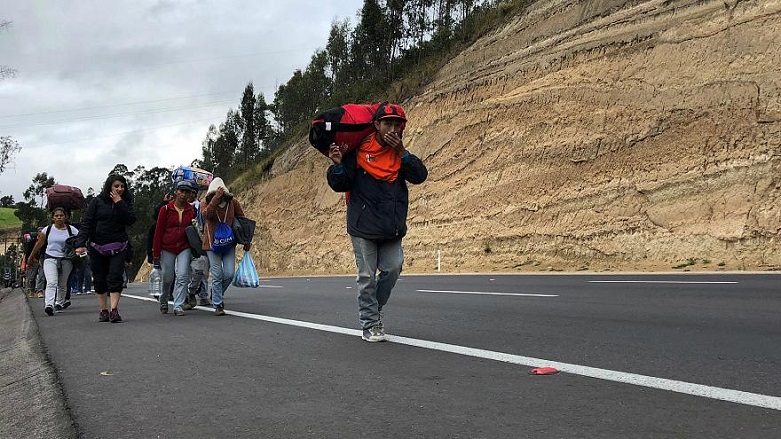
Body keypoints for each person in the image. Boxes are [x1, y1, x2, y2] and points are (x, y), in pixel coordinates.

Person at [326, 102, 428, 342]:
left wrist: (403, 153)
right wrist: (338, 165)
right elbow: (340, 184)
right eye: (387, 123)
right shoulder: (359, 152)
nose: (392, 129)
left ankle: (373, 309)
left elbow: (420, 176)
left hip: (391, 227)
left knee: (393, 268)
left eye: (397, 124)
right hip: (363, 226)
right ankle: (370, 323)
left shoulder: (400, 154)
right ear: (376, 125)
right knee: (366, 277)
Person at [74, 174, 137, 323]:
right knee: (100, 279)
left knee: (115, 277)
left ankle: (114, 310)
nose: (119, 189)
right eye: (116, 186)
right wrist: (80, 243)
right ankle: (104, 310)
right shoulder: (97, 202)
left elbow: (130, 220)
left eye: (122, 186)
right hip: (97, 247)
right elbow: (87, 224)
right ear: (109, 186)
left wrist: (119, 203)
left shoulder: (126, 202)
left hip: (119, 246)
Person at [202, 177, 249, 316]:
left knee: (229, 274)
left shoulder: (232, 202)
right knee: (217, 274)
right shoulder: (206, 202)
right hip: (212, 244)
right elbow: (206, 215)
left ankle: (216, 293)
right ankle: (218, 304)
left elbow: (242, 220)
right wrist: (215, 199)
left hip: (228, 242)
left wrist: (247, 240)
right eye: (215, 193)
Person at [152, 180, 198, 316]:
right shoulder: (165, 209)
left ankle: (178, 305)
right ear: (176, 192)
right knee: (168, 277)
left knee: (183, 275)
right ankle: (164, 299)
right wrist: (156, 252)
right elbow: (158, 231)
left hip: (184, 246)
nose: (184, 194)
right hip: (167, 247)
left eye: (187, 192)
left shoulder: (191, 210)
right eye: (181, 191)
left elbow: (195, 229)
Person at [27, 207, 79, 316]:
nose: (59, 217)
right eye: (56, 216)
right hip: (50, 258)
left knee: (62, 283)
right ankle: (49, 305)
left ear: (65, 217)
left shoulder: (72, 230)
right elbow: (39, 244)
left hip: (66, 259)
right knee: (51, 282)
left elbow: (81, 241)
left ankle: (59, 303)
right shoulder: (47, 229)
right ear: (53, 218)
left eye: (61, 215)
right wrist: (30, 257)